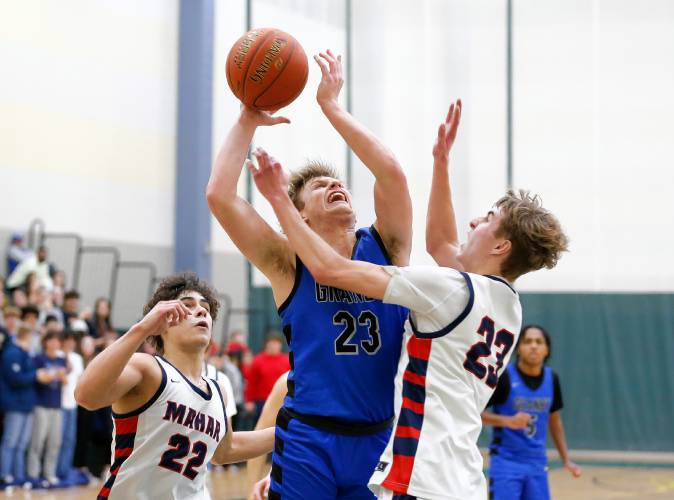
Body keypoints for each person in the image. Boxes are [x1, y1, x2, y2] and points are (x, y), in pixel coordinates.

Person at [250, 99, 569, 499]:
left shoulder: (449, 290)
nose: (474, 222)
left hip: (421, 475)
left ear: (502, 245)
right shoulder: (507, 306)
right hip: (463, 477)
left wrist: (281, 202)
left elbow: (331, 271)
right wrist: (440, 162)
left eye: (486, 220)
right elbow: (440, 242)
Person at [207, 49, 412, 499]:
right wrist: (247, 119)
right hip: (308, 439)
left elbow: (392, 174)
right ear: (296, 216)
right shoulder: (288, 263)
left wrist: (332, 106)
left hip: (378, 438)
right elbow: (221, 197)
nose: (335, 185)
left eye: (338, 183)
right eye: (320, 187)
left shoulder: (387, 248)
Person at [74, 273, 275, 499]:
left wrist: (288, 431)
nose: (201, 311)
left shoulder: (218, 389)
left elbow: (225, 449)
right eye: (187, 306)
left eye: (206, 309)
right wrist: (142, 329)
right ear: (163, 323)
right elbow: (85, 395)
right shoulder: (149, 369)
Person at [482, 325, 581, 500]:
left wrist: (565, 459)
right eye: (527, 341)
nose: (533, 346)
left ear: (547, 349)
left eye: (539, 342)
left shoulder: (552, 379)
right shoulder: (504, 377)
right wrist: (508, 421)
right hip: (506, 462)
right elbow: (476, 414)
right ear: (518, 348)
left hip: (537, 463)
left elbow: (555, 421)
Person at [0, 326, 49, 490]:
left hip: (27, 404)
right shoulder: (12, 353)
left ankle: (18, 475)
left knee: (22, 443)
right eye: (33, 337)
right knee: (10, 441)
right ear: (26, 336)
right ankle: (5, 475)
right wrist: (35, 375)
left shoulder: (27, 354)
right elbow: (15, 378)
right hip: (15, 404)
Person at [27, 331, 68, 487]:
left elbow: (64, 381)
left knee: (55, 442)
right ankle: (33, 474)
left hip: (56, 406)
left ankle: (49, 474)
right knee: (38, 441)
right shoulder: (39, 358)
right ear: (46, 343)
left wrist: (57, 375)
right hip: (41, 405)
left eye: (57, 341)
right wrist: (54, 375)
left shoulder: (61, 359)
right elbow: (41, 378)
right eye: (52, 340)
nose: (55, 344)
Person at [57, 330, 85, 482]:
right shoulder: (58, 356)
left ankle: (64, 470)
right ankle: (53, 471)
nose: (69, 343)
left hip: (72, 405)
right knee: (57, 440)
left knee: (69, 439)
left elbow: (80, 380)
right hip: (58, 404)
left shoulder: (77, 358)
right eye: (66, 339)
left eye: (72, 340)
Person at [244, 333, 290, 423]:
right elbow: (251, 382)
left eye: (277, 343)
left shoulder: (287, 360)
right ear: (266, 344)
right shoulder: (258, 360)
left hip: (282, 400)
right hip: (261, 401)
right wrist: (249, 401)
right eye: (272, 343)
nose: (274, 346)